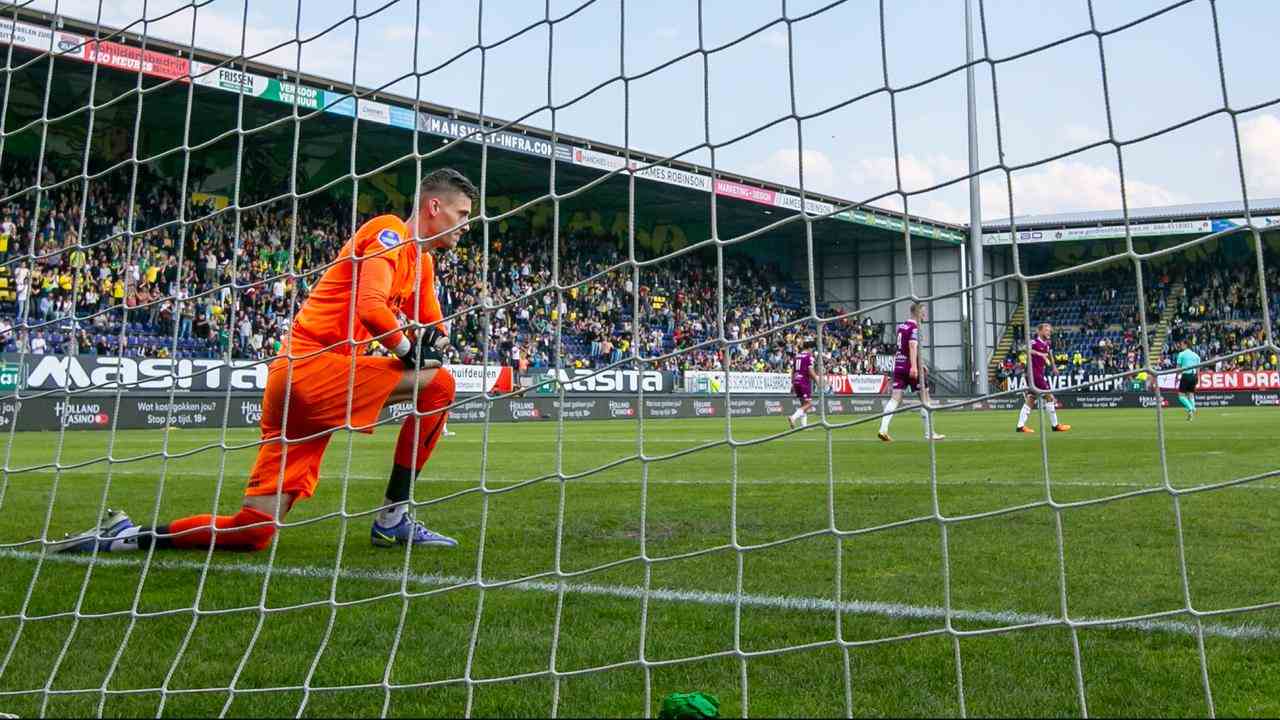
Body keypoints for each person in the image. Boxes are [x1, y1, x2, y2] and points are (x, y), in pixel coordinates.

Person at [55, 168, 479, 554]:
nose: (466, 225)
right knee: (439, 384)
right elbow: (371, 308)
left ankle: (127, 537)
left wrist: (435, 341)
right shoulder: (389, 233)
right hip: (315, 369)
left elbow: (435, 323)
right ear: (434, 206)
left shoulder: (421, 262)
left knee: (253, 531)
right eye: (462, 214)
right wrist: (409, 351)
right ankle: (393, 521)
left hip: (297, 384)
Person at [878, 302, 945, 442]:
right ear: (917, 312)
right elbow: (913, 346)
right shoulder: (915, 327)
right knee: (925, 399)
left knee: (894, 399)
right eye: (923, 311)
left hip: (899, 365)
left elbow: (903, 348)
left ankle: (883, 429)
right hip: (911, 367)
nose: (925, 314)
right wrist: (915, 366)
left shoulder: (901, 327)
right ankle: (929, 433)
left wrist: (922, 363)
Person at [1016, 322, 1071, 433]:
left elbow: (1050, 354)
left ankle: (1020, 426)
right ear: (1039, 331)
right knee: (1049, 397)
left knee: (1031, 399)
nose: (1049, 332)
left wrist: (1054, 367)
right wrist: (1039, 354)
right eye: (1046, 330)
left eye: (1049, 330)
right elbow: (1026, 349)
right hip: (1034, 374)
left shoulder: (1046, 344)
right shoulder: (1034, 342)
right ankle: (1055, 426)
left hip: (1039, 374)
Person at [787, 339, 818, 429]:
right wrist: (817, 380)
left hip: (796, 381)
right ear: (810, 348)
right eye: (813, 349)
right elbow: (810, 371)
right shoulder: (809, 357)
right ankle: (793, 417)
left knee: (803, 405)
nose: (813, 351)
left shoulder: (797, 356)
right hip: (804, 381)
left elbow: (793, 371)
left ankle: (804, 426)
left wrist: (792, 383)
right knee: (809, 404)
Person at [1174, 339, 1200, 421]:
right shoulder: (1196, 355)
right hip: (1194, 376)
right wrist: (1197, 378)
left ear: (1186, 345)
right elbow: (1198, 368)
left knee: (1181, 396)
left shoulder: (1181, 354)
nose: (1180, 346)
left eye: (1182, 344)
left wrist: (1176, 377)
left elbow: (1178, 368)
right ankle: (1192, 413)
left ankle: (1191, 408)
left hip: (1186, 375)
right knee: (1191, 394)